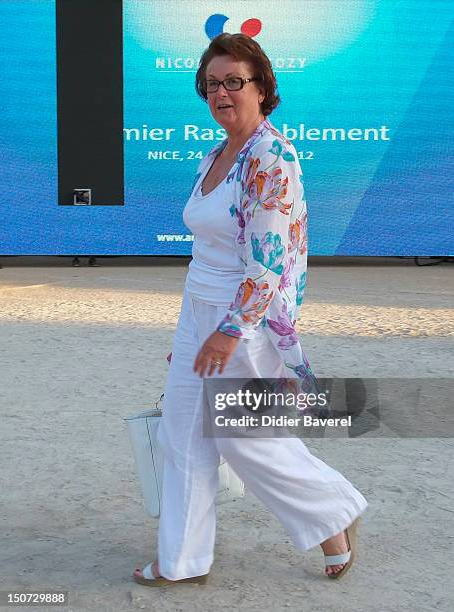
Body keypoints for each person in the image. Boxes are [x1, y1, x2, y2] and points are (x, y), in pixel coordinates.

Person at [133, 33, 368, 586]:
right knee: (182, 435)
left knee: (246, 437)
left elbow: (267, 262)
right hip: (201, 310)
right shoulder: (216, 155)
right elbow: (210, 249)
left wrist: (227, 332)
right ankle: (182, 562)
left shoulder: (271, 156)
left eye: (234, 81)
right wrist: (192, 329)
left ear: (261, 87)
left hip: (246, 321)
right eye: (212, 84)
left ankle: (335, 512)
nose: (222, 93)